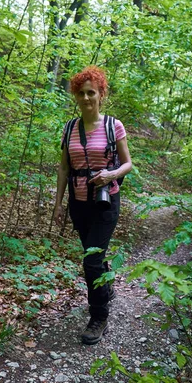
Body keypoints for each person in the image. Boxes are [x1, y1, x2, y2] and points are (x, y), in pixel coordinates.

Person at [53, 66, 133, 345]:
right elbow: (64, 168)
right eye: (81, 93)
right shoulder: (69, 128)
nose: (86, 98)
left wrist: (111, 174)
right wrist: (58, 203)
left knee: (91, 260)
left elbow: (127, 163)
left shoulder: (114, 125)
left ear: (101, 95)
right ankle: (105, 285)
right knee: (93, 255)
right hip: (78, 203)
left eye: (92, 92)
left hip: (105, 202)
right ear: (75, 96)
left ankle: (98, 315)